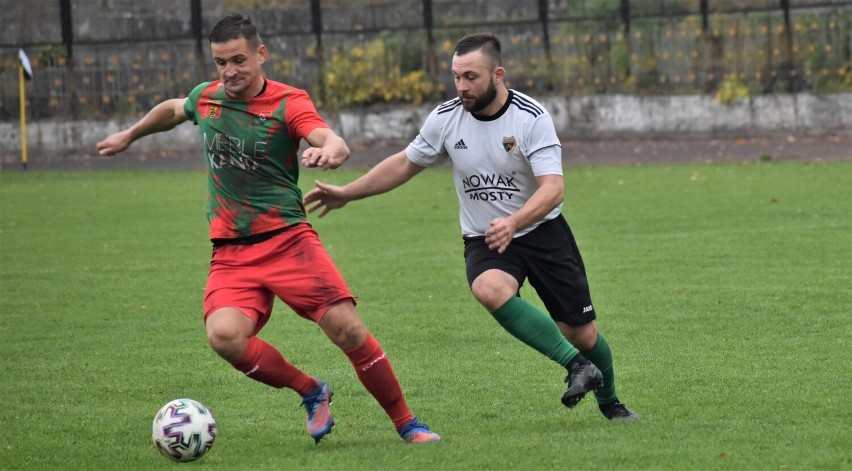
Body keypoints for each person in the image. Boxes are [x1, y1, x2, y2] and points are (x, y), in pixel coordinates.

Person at [95, 14, 440, 444]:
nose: (229, 71)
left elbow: (328, 137)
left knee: (347, 329)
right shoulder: (208, 99)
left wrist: (331, 151)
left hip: (288, 242)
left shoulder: (288, 102)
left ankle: (408, 424)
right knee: (224, 337)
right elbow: (173, 109)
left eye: (238, 60)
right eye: (221, 62)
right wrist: (130, 134)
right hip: (231, 252)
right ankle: (312, 391)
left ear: (261, 54)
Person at [303, 32, 639, 420]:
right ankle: (576, 366)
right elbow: (404, 163)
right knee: (488, 288)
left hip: (542, 232)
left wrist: (514, 221)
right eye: (456, 77)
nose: (461, 86)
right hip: (486, 238)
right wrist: (348, 192)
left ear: (498, 74)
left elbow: (554, 189)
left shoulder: (531, 117)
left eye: (470, 77)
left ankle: (610, 400)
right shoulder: (446, 119)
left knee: (584, 334)